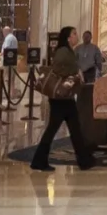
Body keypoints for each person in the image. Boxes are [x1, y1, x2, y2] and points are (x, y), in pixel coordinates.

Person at [31, 26, 96, 172]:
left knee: (75, 128)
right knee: (54, 129)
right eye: (74, 33)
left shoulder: (69, 51)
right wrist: (74, 72)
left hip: (66, 97)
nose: (76, 36)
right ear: (68, 38)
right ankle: (39, 160)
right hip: (61, 98)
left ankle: (84, 160)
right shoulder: (63, 51)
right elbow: (57, 69)